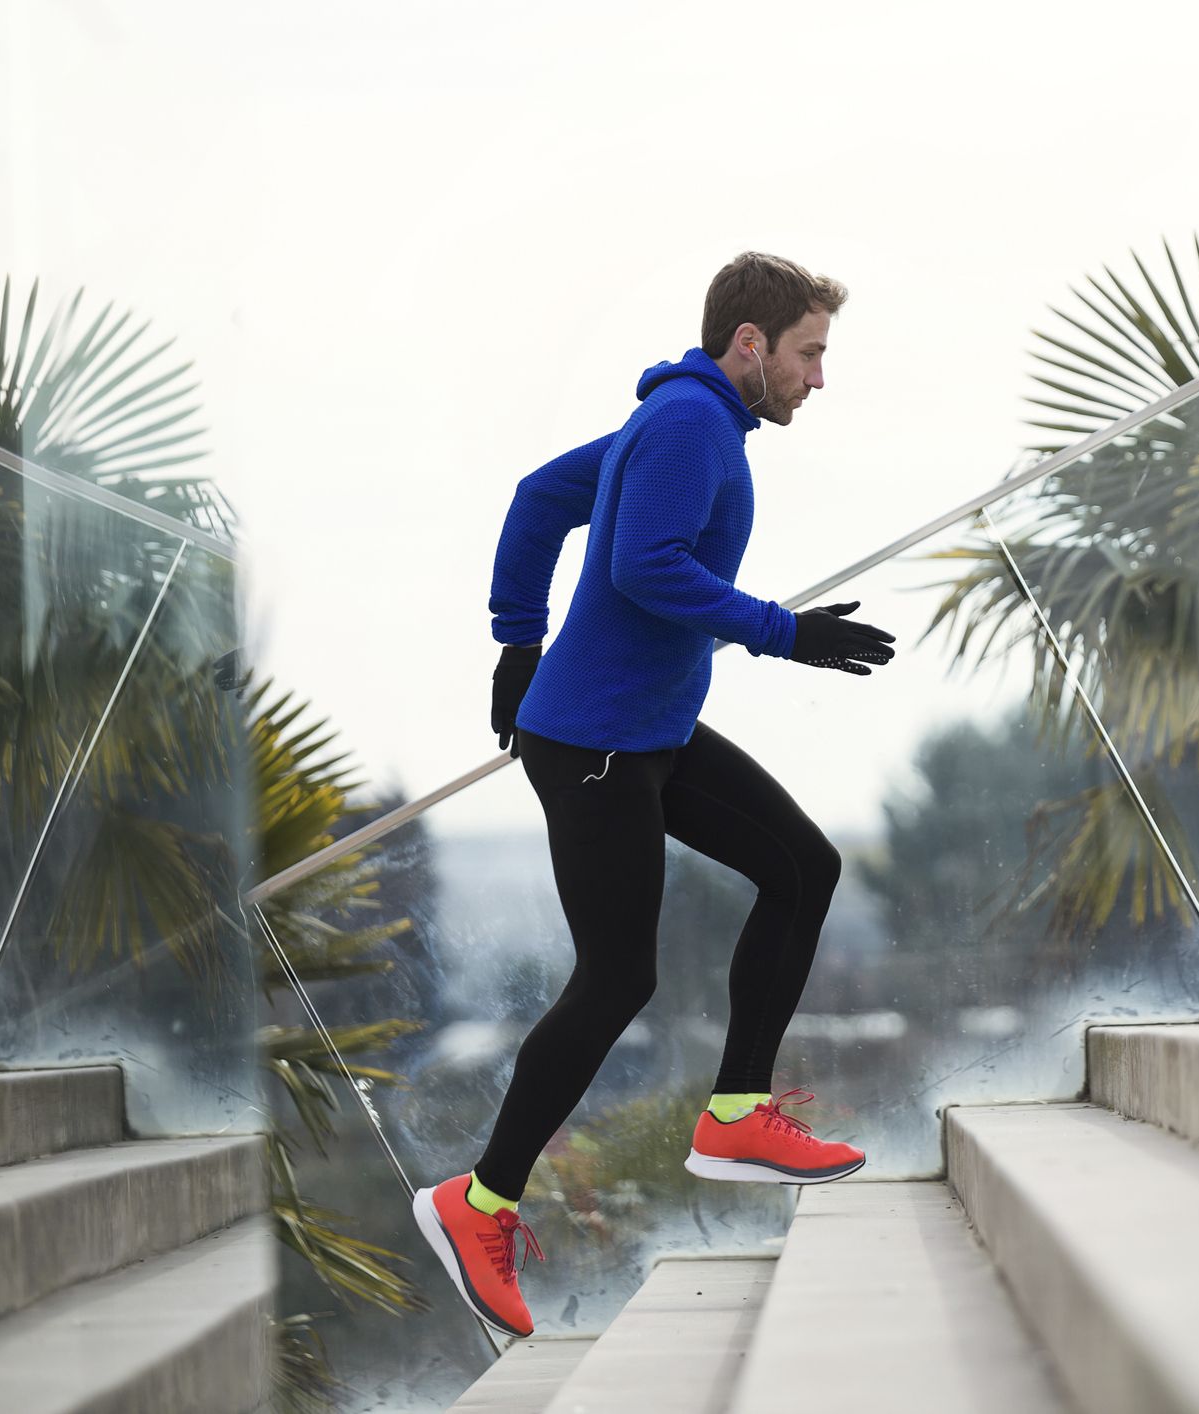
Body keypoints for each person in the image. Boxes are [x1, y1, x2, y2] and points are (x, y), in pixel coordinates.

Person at [411, 252, 897, 1340]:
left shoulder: (681, 419)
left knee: (803, 867)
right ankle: (476, 1203)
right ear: (750, 347)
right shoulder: (688, 426)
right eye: (810, 353)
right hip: (596, 747)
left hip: (649, 733)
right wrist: (788, 633)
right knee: (618, 977)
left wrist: (516, 641)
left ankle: (735, 1114)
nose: (819, 377)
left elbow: (541, 501)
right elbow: (643, 566)